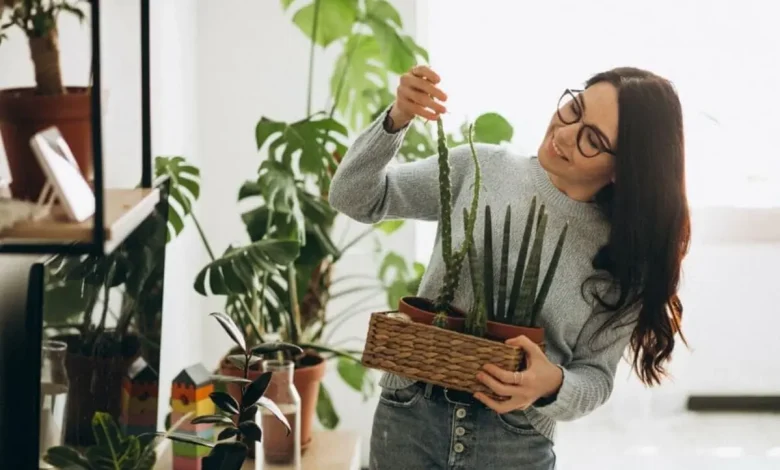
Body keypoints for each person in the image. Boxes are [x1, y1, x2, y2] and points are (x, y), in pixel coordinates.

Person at [328, 65, 690, 470]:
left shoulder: (626, 256)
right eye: (574, 108)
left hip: (515, 440)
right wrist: (397, 118)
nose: (565, 132)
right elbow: (354, 197)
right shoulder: (483, 167)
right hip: (411, 412)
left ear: (625, 168)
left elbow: (596, 376)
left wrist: (551, 383)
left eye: (593, 139)